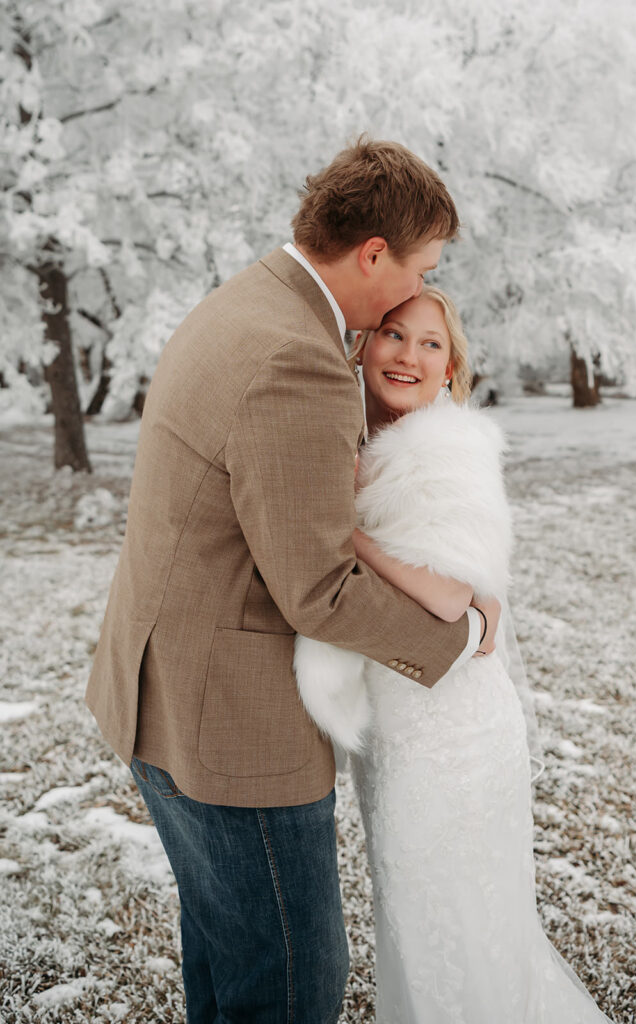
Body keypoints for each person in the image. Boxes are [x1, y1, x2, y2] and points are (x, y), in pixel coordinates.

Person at [85, 139, 494, 1023]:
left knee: (231, 964)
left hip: (160, 693)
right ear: (373, 254)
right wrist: (459, 638)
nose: (415, 291)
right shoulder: (298, 358)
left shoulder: (244, 300)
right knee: (289, 988)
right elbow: (318, 588)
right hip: (231, 730)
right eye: (418, 267)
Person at [295, 287, 613, 1022]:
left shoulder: (448, 449)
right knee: (414, 922)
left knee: (459, 924)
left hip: (452, 731)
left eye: (430, 344)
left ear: (451, 367)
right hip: (397, 722)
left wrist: (345, 528)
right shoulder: (353, 441)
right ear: (362, 346)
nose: (408, 355)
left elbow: (450, 601)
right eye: (393, 334)